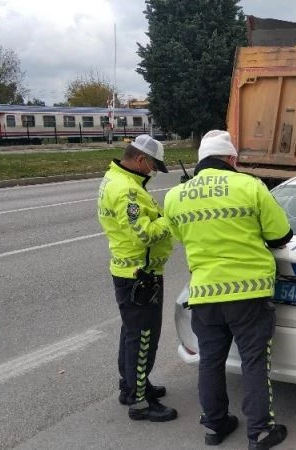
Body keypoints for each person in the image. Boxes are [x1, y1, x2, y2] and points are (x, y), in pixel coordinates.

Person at [164, 130, 293, 449]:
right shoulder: (249, 185)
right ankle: (260, 432)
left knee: (209, 360)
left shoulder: (174, 196)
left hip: (204, 295)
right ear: (232, 158)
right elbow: (281, 235)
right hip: (248, 294)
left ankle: (215, 426)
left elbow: (181, 236)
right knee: (253, 362)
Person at [96, 134, 177, 422]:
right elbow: (143, 233)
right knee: (143, 337)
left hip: (130, 270)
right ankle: (139, 402)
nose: (153, 172)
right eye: (153, 166)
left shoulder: (117, 179)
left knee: (132, 333)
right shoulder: (127, 191)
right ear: (141, 160)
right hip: (140, 274)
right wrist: (172, 217)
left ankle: (131, 386)